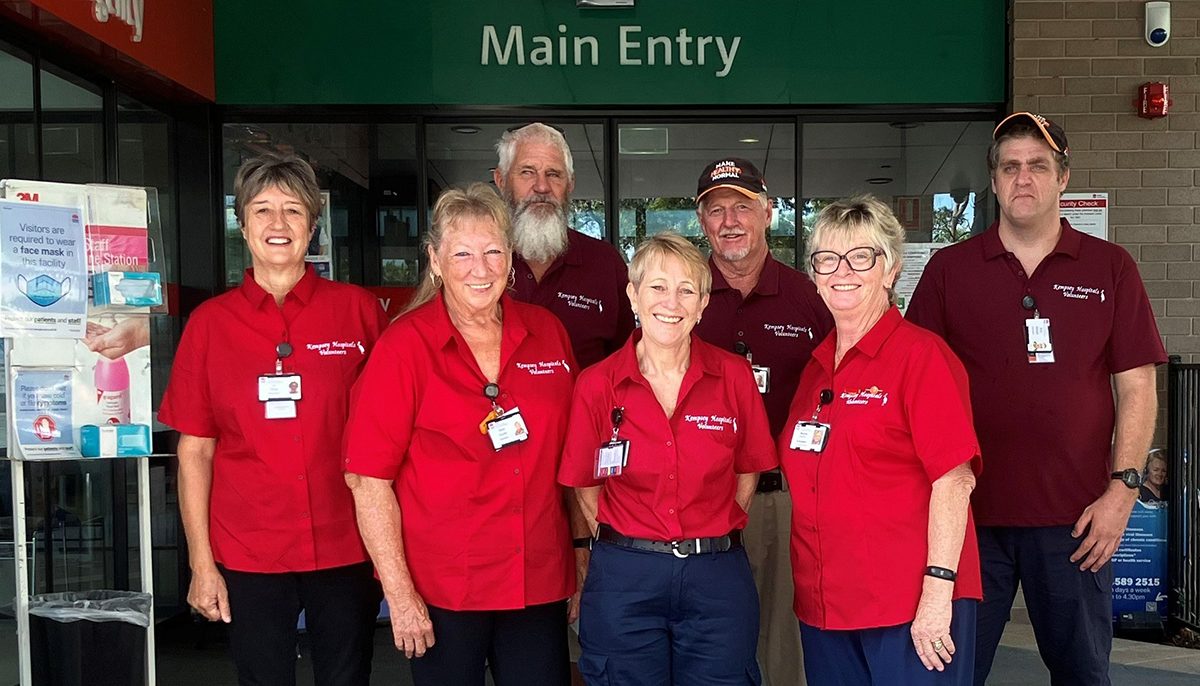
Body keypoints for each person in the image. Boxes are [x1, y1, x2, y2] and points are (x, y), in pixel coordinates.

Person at [906, 112, 1167, 686]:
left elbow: (1137, 385)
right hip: (970, 521)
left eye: (1038, 166)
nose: (1023, 178)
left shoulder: (1110, 268)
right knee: (949, 674)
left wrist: (1122, 495)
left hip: (1076, 523)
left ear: (1062, 178)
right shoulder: (950, 271)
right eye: (1010, 167)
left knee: (1082, 674)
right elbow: (912, 383)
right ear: (994, 181)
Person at [160, 152, 387, 685]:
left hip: (346, 543)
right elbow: (194, 450)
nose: (278, 224)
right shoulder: (210, 325)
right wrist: (201, 562)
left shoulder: (359, 312)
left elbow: (392, 434)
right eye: (262, 210)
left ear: (313, 224)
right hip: (249, 550)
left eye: (292, 210)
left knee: (347, 678)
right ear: (242, 225)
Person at [342, 183, 577, 686]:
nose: (481, 267)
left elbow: (572, 461)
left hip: (535, 580)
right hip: (443, 590)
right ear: (435, 259)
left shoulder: (548, 332)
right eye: (463, 253)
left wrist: (580, 557)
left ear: (511, 257)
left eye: (494, 251)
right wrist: (400, 595)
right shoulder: (404, 346)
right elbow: (367, 480)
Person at [559, 232, 777, 686]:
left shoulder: (734, 376)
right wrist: (622, 540)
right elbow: (584, 481)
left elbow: (749, 467)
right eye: (657, 286)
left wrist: (718, 523)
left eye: (686, 290)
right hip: (626, 577)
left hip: (715, 575)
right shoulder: (597, 384)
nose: (671, 302)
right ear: (633, 295)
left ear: (701, 306)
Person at [781, 195, 982, 685]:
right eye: (826, 258)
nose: (841, 271)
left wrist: (937, 594)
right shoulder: (815, 368)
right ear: (813, 273)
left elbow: (954, 482)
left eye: (861, 256)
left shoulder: (921, 358)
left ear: (890, 270)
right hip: (827, 607)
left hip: (908, 606)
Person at [693, 157, 832, 686]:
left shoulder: (810, 296)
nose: (730, 221)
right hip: (701, 500)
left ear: (768, 212)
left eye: (743, 207)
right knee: (710, 644)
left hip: (785, 499)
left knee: (783, 651)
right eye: (717, 209)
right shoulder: (683, 297)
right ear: (702, 221)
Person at [493, 123, 635, 369]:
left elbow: (625, 362)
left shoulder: (605, 263)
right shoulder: (479, 263)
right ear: (501, 180)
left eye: (554, 174)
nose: (542, 187)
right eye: (527, 172)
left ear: (570, 184)